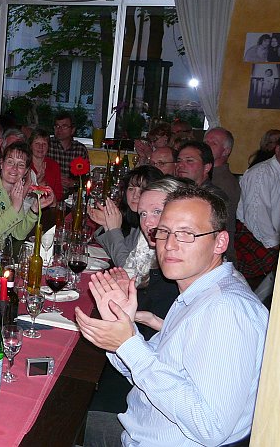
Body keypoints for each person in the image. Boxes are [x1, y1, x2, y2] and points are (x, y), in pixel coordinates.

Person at [78, 185, 268, 447]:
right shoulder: (197, 294)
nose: (169, 245)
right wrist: (121, 328)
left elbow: (211, 427)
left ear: (220, 242)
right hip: (138, 429)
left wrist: (128, 344)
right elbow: (146, 372)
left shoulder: (226, 310)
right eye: (164, 232)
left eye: (187, 234)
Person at [88, 177, 187, 415]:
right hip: (142, 361)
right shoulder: (157, 258)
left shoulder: (181, 270)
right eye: (143, 214)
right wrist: (140, 317)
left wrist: (141, 324)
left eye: (157, 212)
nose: (148, 222)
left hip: (156, 392)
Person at [0, 142, 54, 267]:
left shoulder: (14, 192)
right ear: (1, 164)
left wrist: (34, 209)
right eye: (10, 162)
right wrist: (15, 207)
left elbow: (18, 234)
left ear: (26, 171)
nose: (14, 168)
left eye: (21, 165)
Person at [236, 132, 280, 301]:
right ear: (277, 149)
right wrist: (277, 245)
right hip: (251, 236)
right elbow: (256, 217)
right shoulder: (261, 173)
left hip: (273, 239)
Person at [90, 166, 164, 273]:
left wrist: (114, 230)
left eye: (142, 190)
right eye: (131, 189)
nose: (135, 195)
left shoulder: (153, 226)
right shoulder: (136, 220)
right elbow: (117, 253)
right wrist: (107, 226)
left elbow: (127, 268)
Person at [175, 141, 236, 258]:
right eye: (179, 161)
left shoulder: (212, 198)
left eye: (189, 161)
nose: (180, 165)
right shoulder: (182, 191)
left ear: (207, 167)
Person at [204, 127, 241, 221]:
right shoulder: (206, 173)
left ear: (226, 151)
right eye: (205, 142)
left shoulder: (224, 182)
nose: (207, 146)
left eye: (214, 143)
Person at [47, 111, 89, 194]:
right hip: (50, 192)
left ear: (72, 130)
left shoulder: (80, 149)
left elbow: (86, 179)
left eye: (64, 126)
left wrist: (73, 183)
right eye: (57, 126)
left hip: (72, 195)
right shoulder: (47, 145)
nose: (59, 129)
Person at [26, 129, 63, 202]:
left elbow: (59, 194)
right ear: (30, 146)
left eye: (44, 144)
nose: (41, 147)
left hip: (50, 205)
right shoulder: (24, 165)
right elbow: (24, 196)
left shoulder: (54, 165)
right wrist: (37, 181)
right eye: (37, 143)